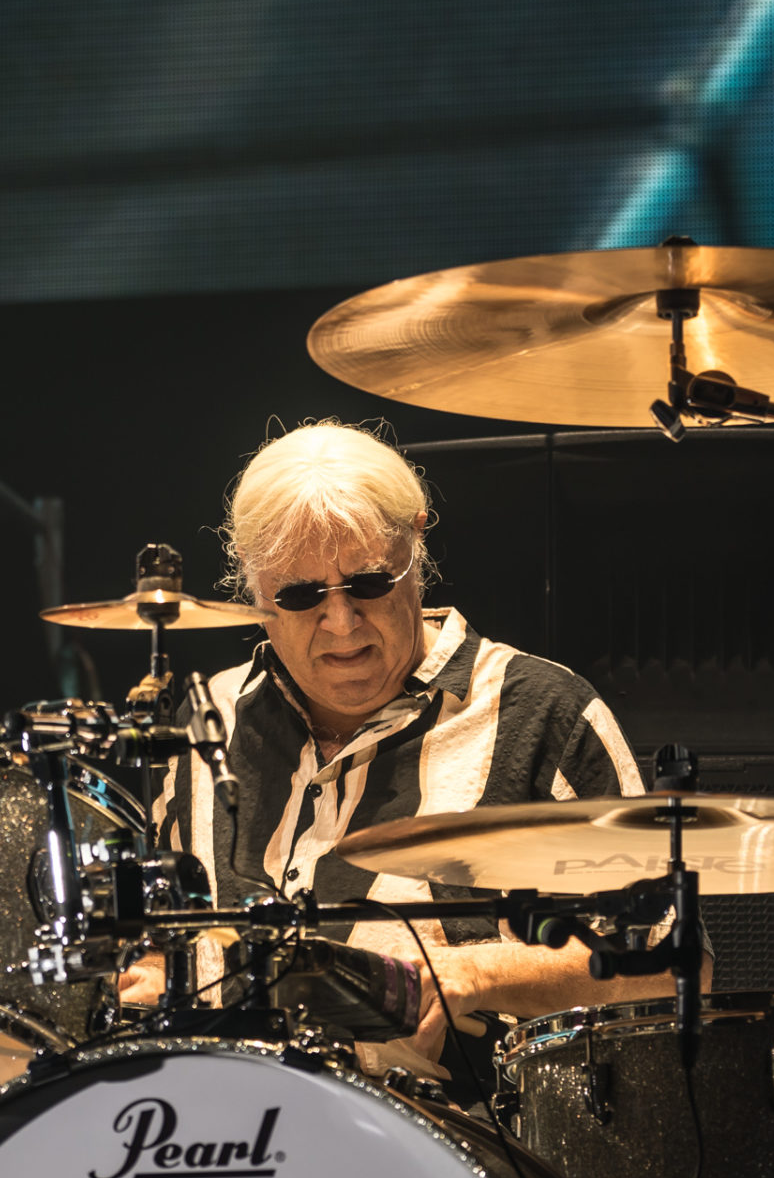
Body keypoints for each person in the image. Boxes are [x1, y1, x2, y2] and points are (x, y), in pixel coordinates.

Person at [128, 420, 665, 1087]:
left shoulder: (543, 712)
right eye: (300, 596)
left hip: (455, 1131)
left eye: (369, 583)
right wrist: (151, 972)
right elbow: (152, 934)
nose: (341, 622)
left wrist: (475, 973)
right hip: (213, 1119)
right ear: (253, 589)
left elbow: (668, 965)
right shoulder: (203, 721)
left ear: (417, 541)